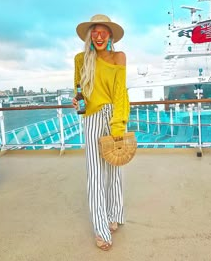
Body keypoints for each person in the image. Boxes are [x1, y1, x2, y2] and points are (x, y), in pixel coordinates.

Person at [73, 14, 130, 251]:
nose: (98, 36)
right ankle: (101, 228)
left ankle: (114, 214)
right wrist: (77, 102)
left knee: (114, 169)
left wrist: (119, 124)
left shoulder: (119, 57)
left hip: (113, 115)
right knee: (96, 175)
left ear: (110, 35)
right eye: (94, 32)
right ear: (90, 35)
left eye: (102, 32)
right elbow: (78, 88)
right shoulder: (80, 59)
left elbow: (120, 92)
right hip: (93, 117)